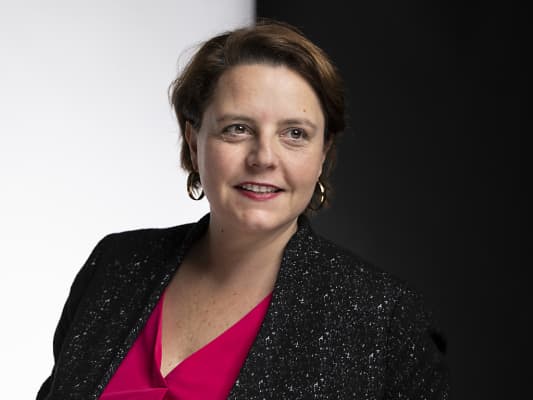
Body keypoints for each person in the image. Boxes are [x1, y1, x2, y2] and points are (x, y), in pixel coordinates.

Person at [37, 20, 449, 400]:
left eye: (294, 133)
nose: (263, 157)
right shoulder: (115, 266)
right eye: (237, 128)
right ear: (194, 141)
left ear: (323, 153)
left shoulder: (382, 316)